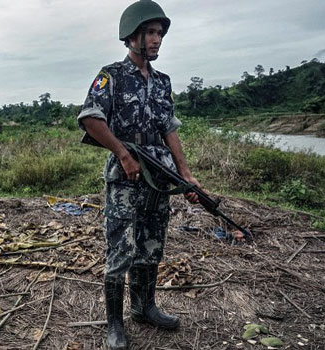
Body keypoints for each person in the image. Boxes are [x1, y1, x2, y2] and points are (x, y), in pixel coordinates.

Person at [77, 1, 201, 349]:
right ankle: (114, 323)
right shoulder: (111, 75)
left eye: (160, 33)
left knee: (151, 244)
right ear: (132, 35)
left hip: (159, 175)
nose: (157, 39)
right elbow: (91, 118)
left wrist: (185, 174)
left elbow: (169, 129)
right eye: (150, 32)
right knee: (122, 246)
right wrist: (123, 153)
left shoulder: (163, 82)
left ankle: (144, 307)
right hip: (126, 175)